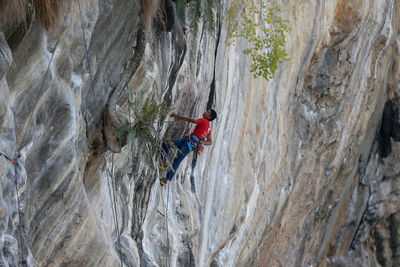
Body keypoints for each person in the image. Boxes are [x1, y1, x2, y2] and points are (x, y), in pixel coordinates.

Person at [160, 109, 217, 186]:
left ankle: (166, 177)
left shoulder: (204, 121)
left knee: (175, 157)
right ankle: (164, 166)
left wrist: (175, 115)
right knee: (170, 149)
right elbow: (210, 141)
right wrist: (202, 142)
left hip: (188, 144)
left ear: (209, 117)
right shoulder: (208, 128)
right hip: (188, 142)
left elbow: (189, 119)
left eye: (208, 112)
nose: (205, 111)